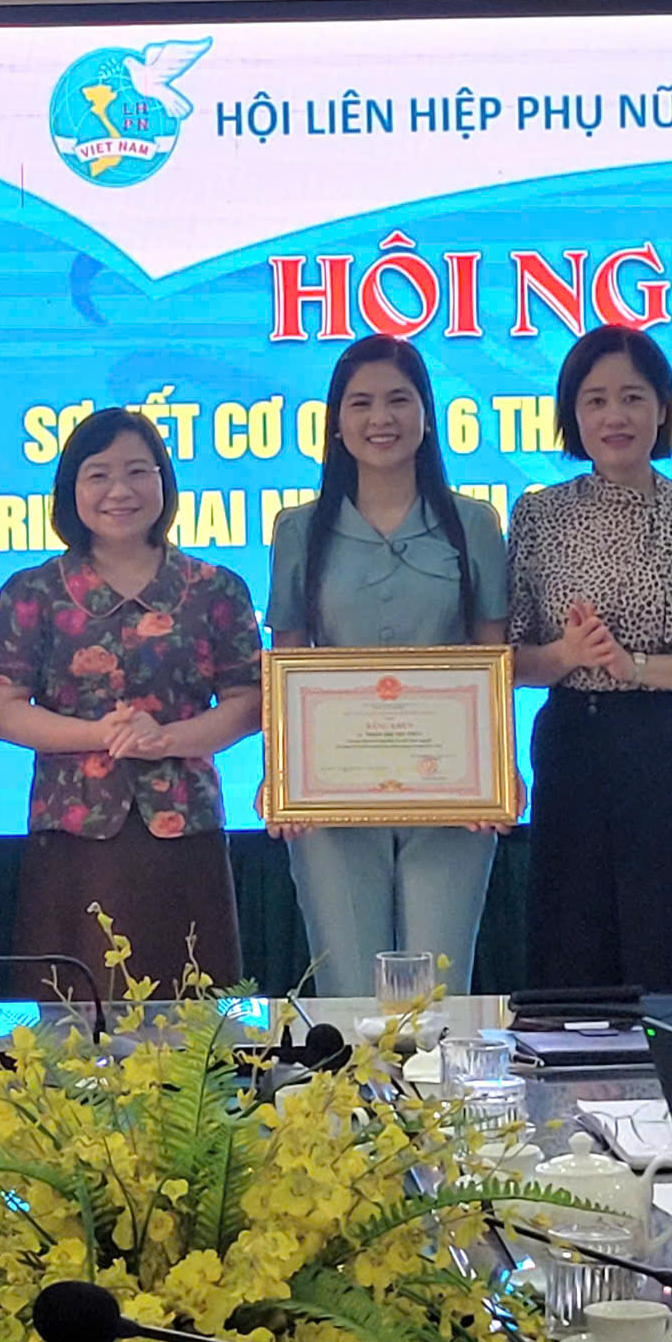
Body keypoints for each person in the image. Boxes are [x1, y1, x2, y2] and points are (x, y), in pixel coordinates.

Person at [507, 324, 672, 991]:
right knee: (573, 949)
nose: (615, 416)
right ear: (573, 414)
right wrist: (567, 654)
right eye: (595, 400)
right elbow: (507, 660)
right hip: (572, 742)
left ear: (662, 407)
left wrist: (640, 668)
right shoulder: (539, 516)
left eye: (632, 397)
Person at [0, 410, 263, 990]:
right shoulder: (33, 590)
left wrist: (167, 739)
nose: (120, 491)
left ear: (164, 481)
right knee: (74, 1014)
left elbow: (251, 701)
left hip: (186, 831)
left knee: (190, 1014)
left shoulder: (216, 588)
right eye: (98, 475)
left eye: (138, 472)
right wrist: (102, 735)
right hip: (71, 837)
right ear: (71, 489)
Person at [266, 335, 511, 997]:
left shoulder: (474, 523)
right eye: (362, 403)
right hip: (332, 796)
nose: (382, 418)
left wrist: (499, 772)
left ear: (427, 415)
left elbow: (492, 656)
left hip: (451, 794)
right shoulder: (298, 529)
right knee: (348, 990)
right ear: (336, 423)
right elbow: (287, 660)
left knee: (435, 991)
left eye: (399, 400)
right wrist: (280, 776)